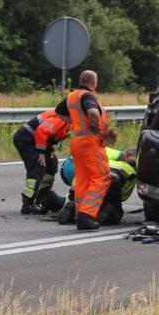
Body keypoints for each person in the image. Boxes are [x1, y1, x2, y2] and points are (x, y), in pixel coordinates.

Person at [59, 70, 113, 231]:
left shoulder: (72, 96)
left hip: (77, 141)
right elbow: (92, 112)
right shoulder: (88, 96)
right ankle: (87, 215)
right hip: (91, 141)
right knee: (102, 177)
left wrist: (76, 123)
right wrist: (98, 129)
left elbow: (59, 112)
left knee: (83, 178)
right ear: (93, 83)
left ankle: (80, 213)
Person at [57, 146, 136, 226]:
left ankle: (73, 207)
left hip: (79, 177)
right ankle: (108, 213)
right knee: (113, 206)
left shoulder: (107, 159)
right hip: (110, 181)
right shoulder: (131, 170)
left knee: (84, 202)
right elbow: (123, 195)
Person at [12, 109, 70, 214]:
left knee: (52, 165)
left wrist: (49, 150)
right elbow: (41, 131)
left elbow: (50, 136)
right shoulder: (61, 119)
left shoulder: (69, 120)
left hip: (40, 141)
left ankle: (41, 199)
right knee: (38, 167)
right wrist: (41, 152)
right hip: (26, 139)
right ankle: (28, 204)